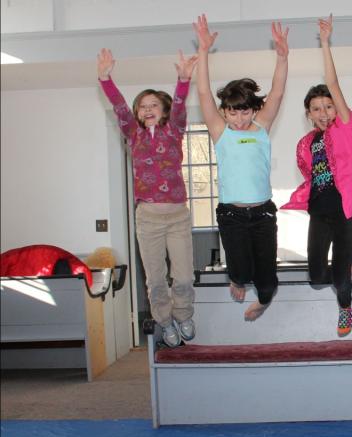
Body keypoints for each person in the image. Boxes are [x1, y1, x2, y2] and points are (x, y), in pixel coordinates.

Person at [97, 48, 198, 348]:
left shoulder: (174, 131)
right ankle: (165, 321)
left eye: (154, 104)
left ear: (164, 111)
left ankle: (184, 315)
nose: (147, 109)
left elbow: (180, 106)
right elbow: (118, 107)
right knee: (155, 279)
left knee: (182, 277)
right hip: (148, 218)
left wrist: (182, 79)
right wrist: (105, 78)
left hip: (178, 215)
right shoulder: (133, 134)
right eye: (142, 106)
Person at [193, 14, 288, 321]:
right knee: (241, 270)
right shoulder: (222, 133)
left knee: (268, 283)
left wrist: (282, 56)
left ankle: (261, 301)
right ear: (225, 112)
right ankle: (235, 278)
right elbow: (205, 94)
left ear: (253, 109)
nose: (239, 118)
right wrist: (204, 51)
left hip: (263, 213)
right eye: (232, 112)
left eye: (244, 110)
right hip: (232, 214)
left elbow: (277, 92)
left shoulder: (261, 128)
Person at [281, 15, 352, 337]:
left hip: (344, 212)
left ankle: (345, 305)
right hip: (320, 213)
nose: (324, 112)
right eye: (317, 108)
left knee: (339, 279)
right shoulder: (306, 143)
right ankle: (342, 271)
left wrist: (325, 43)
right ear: (309, 114)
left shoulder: (344, 127)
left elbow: (334, 83)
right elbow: (310, 178)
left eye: (328, 106)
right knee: (315, 276)